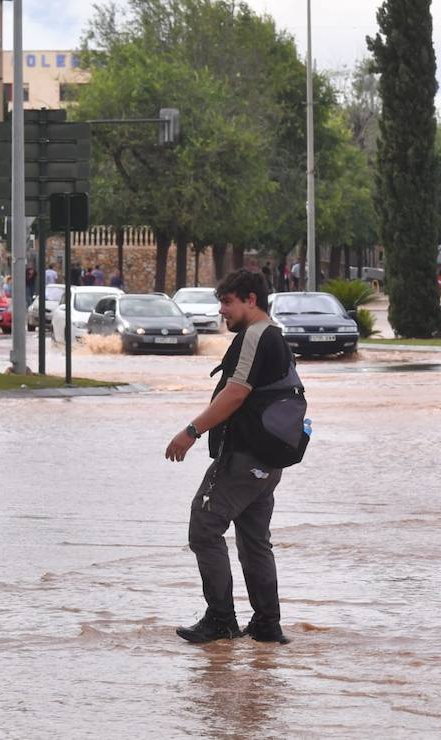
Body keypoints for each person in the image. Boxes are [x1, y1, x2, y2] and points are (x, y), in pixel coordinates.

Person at [164, 268, 293, 645]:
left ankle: (221, 619)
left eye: (227, 302)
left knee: (204, 528)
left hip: (244, 457)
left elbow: (236, 393)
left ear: (250, 299)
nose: (222, 311)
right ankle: (267, 624)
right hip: (267, 462)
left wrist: (191, 431)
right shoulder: (277, 338)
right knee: (254, 540)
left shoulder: (256, 336)